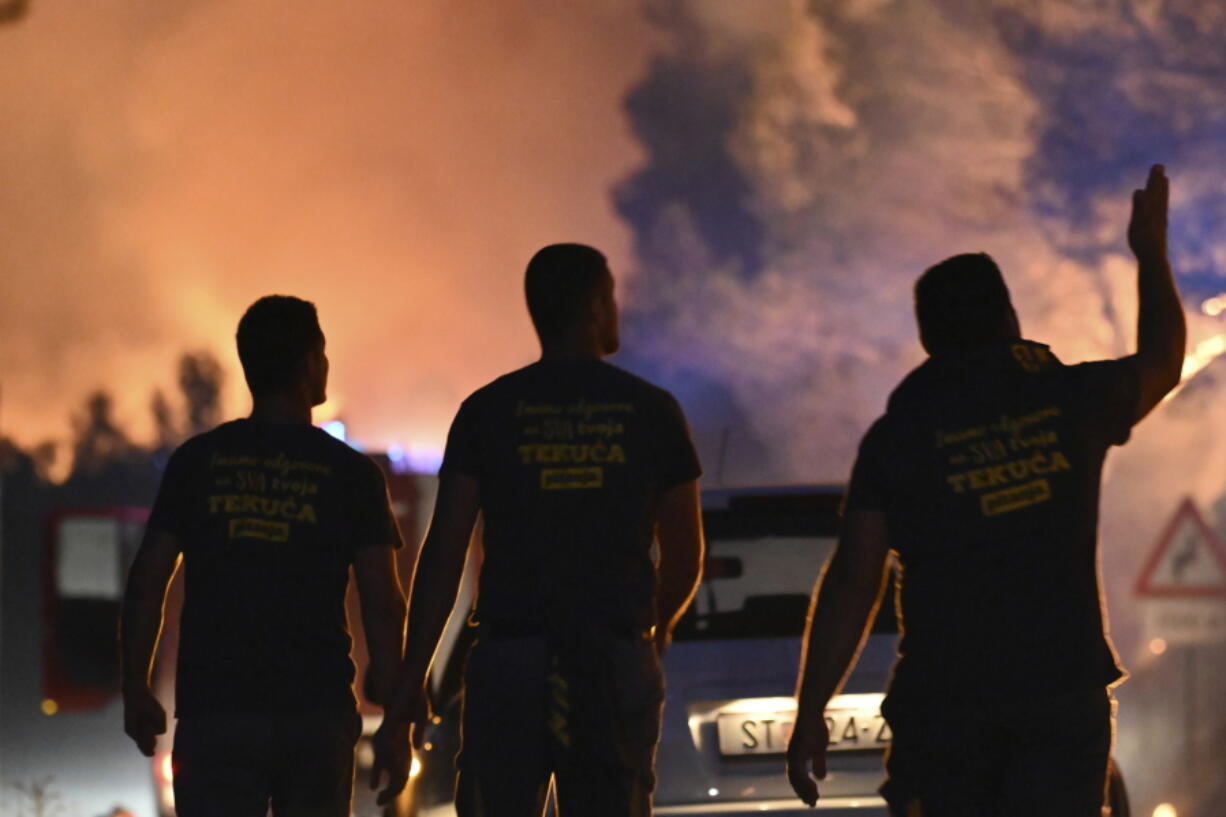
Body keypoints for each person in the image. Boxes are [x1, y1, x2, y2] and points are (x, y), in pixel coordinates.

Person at [786, 165, 1185, 816]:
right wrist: (1150, 254)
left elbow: (856, 579)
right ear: (1008, 315)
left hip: (944, 709)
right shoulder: (1067, 399)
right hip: (1061, 698)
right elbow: (1164, 362)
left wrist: (811, 711)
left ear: (927, 338)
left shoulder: (899, 434)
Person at [370, 243, 705, 816]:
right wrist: (655, 629)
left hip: (510, 663)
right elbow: (685, 551)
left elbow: (444, 555)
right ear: (598, 307)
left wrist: (410, 685)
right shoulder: (652, 411)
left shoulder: (488, 411)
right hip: (611, 660)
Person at [121, 295, 407, 817]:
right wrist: (397, 717)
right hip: (315, 716)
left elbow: (147, 581)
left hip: (216, 716)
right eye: (322, 354)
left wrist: (135, 687)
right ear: (308, 364)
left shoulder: (197, 463)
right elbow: (384, 603)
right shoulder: (352, 475)